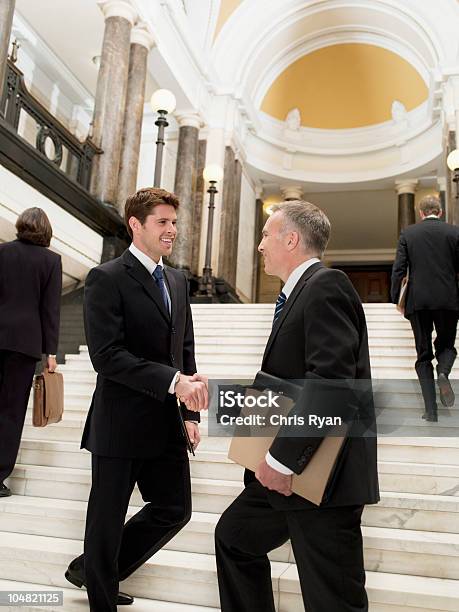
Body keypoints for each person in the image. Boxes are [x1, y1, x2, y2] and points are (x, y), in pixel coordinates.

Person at [214, 201, 379, 612]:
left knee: (333, 600)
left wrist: (282, 460)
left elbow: (331, 385)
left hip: (321, 480)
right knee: (233, 538)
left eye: (267, 235)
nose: (260, 245)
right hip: (283, 477)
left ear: (291, 239)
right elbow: (292, 379)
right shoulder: (297, 295)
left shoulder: (327, 285)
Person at [65, 187, 209, 611]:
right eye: (163, 222)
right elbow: (106, 357)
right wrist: (173, 382)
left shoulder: (178, 281)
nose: (172, 231)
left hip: (165, 421)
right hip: (120, 420)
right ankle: (101, 595)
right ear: (135, 224)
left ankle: (92, 569)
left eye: (174, 223)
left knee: (174, 508)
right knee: (106, 518)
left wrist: (188, 413)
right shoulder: (106, 278)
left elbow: (184, 350)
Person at [0, 208, 61, 497]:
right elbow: (50, 309)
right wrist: (50, 351)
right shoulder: (51, 261)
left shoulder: (3, 252)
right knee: (11, 412)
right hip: (25, 345)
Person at [391, 195, 459, 422]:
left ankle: (431, 411)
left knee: (423, 355)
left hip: (417, 302)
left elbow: (399, 269)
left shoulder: (408, 234)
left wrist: (396, 299)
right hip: (448, 300)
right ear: (439, 212)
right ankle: (443, 373)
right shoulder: (454, 232)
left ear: (421, 213)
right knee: (447, 345)